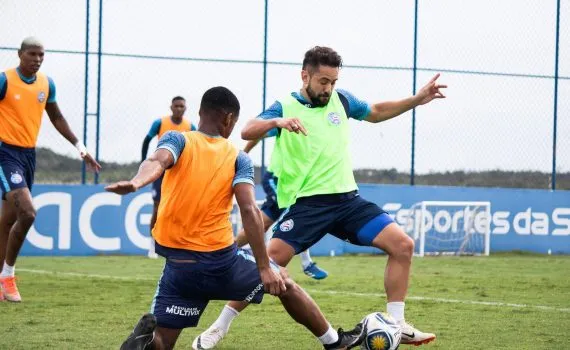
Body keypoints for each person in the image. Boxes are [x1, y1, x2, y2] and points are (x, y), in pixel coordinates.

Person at [195, 46, 446, 347]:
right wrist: (277, 123)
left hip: (348, 202)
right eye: (323, 81)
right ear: (305, 76)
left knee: (403, 245)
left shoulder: (342, 100)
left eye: (333, 81)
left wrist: (417, 99)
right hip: (308, 205)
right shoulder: (285, 106)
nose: (329, 88)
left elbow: (377, 112)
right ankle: (219, 327)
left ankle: (398, 323)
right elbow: (248, 130)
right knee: (269, 263)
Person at [107, 86, 365, 350]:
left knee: (162, 339)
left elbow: (157, 161)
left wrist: (136, 182)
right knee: (284, 280)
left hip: (179, 268)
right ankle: (335, 343)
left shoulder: (178, 140)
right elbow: (249, 210)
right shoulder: (238, 158)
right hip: (221, 264)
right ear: (229, 120)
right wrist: (265, 267)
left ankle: (146, 343)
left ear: (199, 113)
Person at [0, 37, 101, 302]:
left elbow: (56, 117)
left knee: (8, 220)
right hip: (5, 153)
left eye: (41, 55)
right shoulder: (5, 80)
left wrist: (81, 148)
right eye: (32, 54)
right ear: (20, 54)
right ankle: (8, 276)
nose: (37, 59)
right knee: (29, 213)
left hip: (28, 155)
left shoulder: (46, 84)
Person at [236, 138, 328, 280]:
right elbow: (257, 133)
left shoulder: (312, 129)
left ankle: (227, 251)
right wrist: (243, 155)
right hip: (276, 179)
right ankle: (306, 263)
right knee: (297, 217)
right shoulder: (284, 121)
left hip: (293, 182)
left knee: (262, 223)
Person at [141, 96, 196, 259]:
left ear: (185, 109)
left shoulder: (190, 126)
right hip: (161, 170)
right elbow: (146, 140)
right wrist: (144, 161)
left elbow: (195, 147)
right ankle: (152, 245)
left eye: (182, 106)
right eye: (176, 106)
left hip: (181, 172)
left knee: (182, 208)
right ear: (171, 107)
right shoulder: (160, 123)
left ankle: (179, 245)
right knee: (157, 208)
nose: (179, 109)